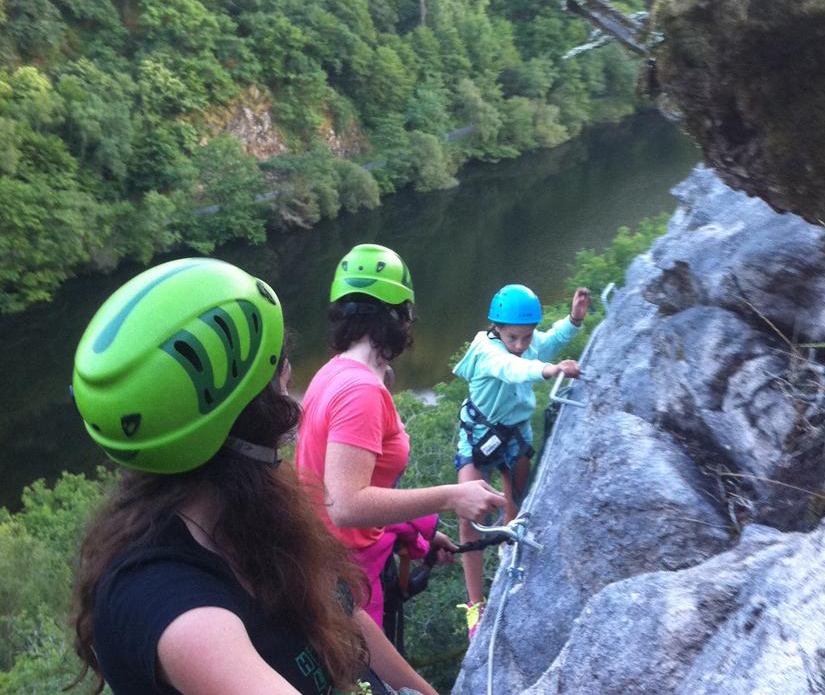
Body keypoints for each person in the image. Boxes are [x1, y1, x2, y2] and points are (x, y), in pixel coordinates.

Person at [68, 257, 437, 695]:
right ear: (253, 413)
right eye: (279, 369)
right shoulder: (168, 606)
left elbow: (342, 613)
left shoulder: (253, 514)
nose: (288, 379)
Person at [295, 243, 504, 631]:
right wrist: (452, 496)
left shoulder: (332, 372)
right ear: (397, 317)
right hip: (352, 580)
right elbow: (345, 505)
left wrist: (421, 532)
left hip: (331, 560)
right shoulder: (361, 391)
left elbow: (329, 492)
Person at [451, 283, 590, 638]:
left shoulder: (528, 342)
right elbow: (510, 367)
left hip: (514, 435)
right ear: (497, 328)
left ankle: (507, 556)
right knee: (469, 516)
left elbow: (550, 341)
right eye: (514, 337)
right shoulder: (487, 350)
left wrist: (574, 320)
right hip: (480, 434)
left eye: (526, 337)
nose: (522, 345)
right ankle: (475, 605)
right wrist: (548, 370)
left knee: (516, 504)